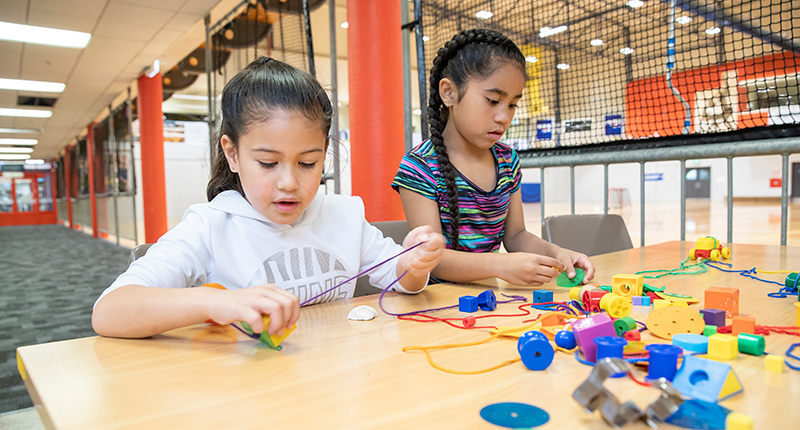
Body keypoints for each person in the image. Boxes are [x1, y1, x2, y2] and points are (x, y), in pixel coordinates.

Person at [93, 57, 445, 339]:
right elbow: (109, 311)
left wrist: (413, 264)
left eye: (308, 163)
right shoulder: (210, 227)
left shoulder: (344, 215)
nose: (289, 182)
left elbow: (404, 283)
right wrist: (216, 301)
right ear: (232, 154)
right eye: (267, 163)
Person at [392, 29, 594, 287]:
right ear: (449, 92)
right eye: (493, 100)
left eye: (512, 105)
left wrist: (557, 254)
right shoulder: (419, 166)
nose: (504, 117)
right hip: (435, 303)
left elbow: (516, 235)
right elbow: (432, 260)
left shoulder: (507, 160)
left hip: (491, 298)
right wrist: (500, 265)